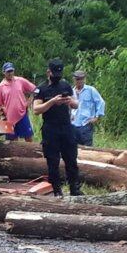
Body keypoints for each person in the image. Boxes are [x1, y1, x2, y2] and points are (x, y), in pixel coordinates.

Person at [32, 58, 82, 196]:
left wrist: (69, 101)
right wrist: (53, 102)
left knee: (71, 159)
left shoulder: (65, 85)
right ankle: (57, 191)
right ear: (48, 72)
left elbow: (76, 104)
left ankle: (75, 189)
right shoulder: (41, 89)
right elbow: (36, 110)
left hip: (66, 127)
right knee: (53, 162)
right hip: (50, 128)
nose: (57, 76)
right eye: (55, 74)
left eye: (59, 74)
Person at [0, 62, 38, 142]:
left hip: (22, 115)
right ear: (4, 72)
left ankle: (31, 154)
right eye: (8, 72)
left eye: (11, 71)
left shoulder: (20, 81)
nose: (10, 73)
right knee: (12, 142)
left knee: (28, 138)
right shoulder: (0, 86)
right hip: (9, 118)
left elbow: (35, 90)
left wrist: (29, 102)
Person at [70, 70, 105, 146]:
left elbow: (101, 102)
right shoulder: (71, 92)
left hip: (86, 124)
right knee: (73, 148)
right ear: (74, 79)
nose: (80, 81)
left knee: (87, 148)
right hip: (73, 124)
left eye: (82, 79)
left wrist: (96, 117)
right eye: (77, 79)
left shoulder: (91, 90)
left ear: (84, 79)